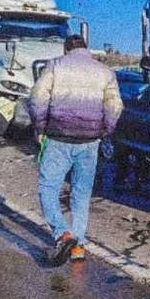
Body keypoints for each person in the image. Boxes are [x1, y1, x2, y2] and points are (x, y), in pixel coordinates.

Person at [30, 35, 122, 266]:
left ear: (66, 49)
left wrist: (40, 127)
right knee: (81, 193)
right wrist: (105, 130)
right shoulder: (104, 72)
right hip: (90, 140)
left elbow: (37, 99)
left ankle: (63, 234)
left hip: (58, 136)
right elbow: (115, 106)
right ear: (85, 49)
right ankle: (78, 246)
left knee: (47, 188)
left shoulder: (55, 66)